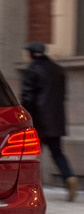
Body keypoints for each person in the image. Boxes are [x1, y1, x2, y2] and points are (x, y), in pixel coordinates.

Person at [21, 41, 78, 201]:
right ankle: (69, 178)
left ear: (32, 54)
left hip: (38, 121)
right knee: (57, 153)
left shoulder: (32, 70)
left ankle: (28, 187)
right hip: (56, 120)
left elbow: (27, 97)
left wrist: (24, 116)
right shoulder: (57, 69)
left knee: (30, 155)